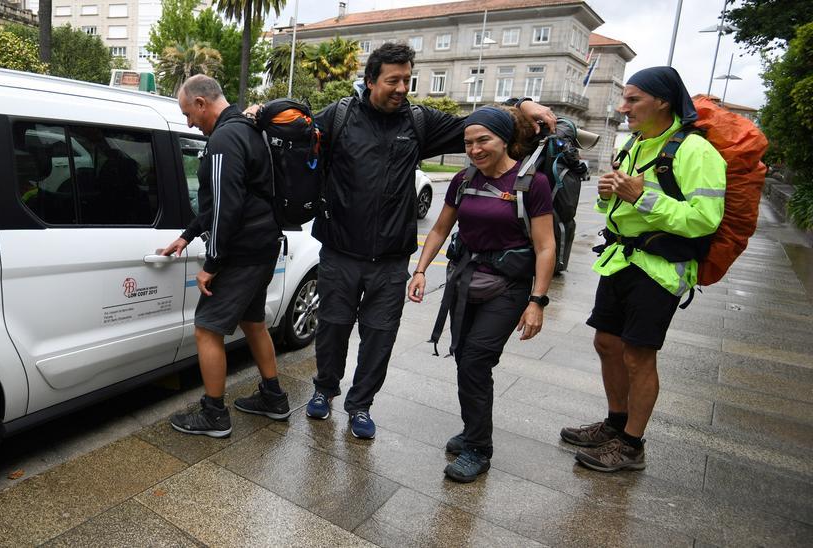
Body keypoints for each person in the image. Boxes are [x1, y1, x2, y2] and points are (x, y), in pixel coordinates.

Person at [304, 41, 557, 439]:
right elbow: (296, 127)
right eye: (393, 80)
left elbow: (485, 124)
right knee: (332, 327)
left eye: (408, 79)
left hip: (390, 259)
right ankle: (324, 389)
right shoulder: (339, 116)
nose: (403, 87)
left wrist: (521, 102)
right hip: (339, 250)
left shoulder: (419, 122)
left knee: (380, 335)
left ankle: (361, 405)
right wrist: (259, 113)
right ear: (371, 81)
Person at [560, 66, 726, 472]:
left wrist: (642, 197)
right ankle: (615, 425)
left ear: (663, 101)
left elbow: (706, 219)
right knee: (606, 344)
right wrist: (606, 196)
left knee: (638, 355)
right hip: (620, 259)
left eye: (633, 99)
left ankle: (632, 446)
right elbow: (617, 204)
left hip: (662, 268)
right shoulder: (634, 144)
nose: (622, 107)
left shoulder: (695, 152)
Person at [408, 106, 556, 482]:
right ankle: (473, 428)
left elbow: (545, 247)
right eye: (468, 142)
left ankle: (478, 448)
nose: (474, 149)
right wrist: (421, 269)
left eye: (483, 140)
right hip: (466, 281)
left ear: (504, 138)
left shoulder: (530, 183)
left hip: (509, 287)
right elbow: (440, 229)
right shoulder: (463, 179)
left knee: (475, 359)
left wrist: (537, 302)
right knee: (465, 358)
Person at [160, 74, 292, 437]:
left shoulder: (222, 140)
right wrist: (187, 236)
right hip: (263, 247)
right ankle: (274, 398)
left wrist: (212, 264)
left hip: (241, 253)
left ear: (202, 103)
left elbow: (225, 209)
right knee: (253, 323)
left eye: (189, 113)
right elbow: (233, 199)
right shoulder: (248, 130)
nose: (189, 122)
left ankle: (214, 415)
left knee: (206, 329)